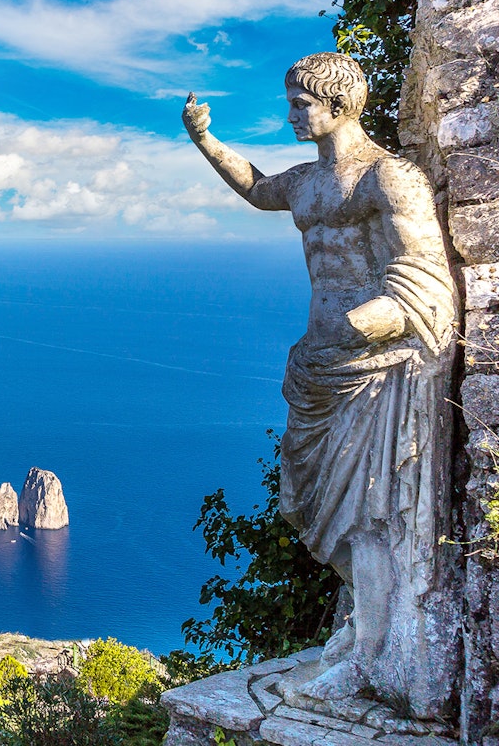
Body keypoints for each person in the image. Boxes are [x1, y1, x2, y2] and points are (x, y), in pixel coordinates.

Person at [182, 53, 456, 717]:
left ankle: (368, 654)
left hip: (373, 366)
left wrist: (376, 319)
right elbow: (255, 187)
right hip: (318, 365)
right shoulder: (305, 183)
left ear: (338, 104)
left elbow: (427, 274)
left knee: (365, 512)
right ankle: (363, 628)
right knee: (317, 503)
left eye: (301, 104)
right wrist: (205, 140)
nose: (291, 115)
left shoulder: (389, 179)